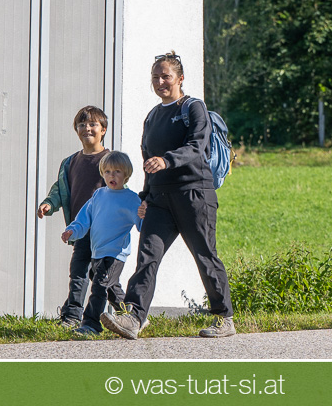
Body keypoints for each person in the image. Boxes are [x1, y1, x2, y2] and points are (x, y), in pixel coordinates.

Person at [101, 51, 236, 340]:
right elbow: (147, 159)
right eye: (155, 77)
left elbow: (196, 146)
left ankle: (224, 318)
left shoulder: (193, 108)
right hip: (160, 199)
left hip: (194, 194)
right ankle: (134, 318)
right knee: (147, 256)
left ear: (180, 78)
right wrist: (145, 197)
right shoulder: (152, 116)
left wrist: (167, 160)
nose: (160, 82)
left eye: (166, 77)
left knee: (204, 255)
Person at [36, 105, 110, 328]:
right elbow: (61, 189)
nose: (87, 128)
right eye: (82, 124)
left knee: (103, 277)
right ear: (76, 130)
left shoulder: (110, 160)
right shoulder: (70, 162)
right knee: (78, 273)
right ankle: (72, 316)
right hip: (80, 228)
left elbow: (120, 193)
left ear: (103, 129)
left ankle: (129, 313)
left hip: (104, 230)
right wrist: (49, 204)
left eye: (93, 124)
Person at [61, 151, 144, 335]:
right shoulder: (98, 195)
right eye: (107, 172)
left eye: (117, 172)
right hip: (97, 251)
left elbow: (142, 225)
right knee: (110, 286)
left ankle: (91, 324)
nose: (111, 176)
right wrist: (73, 231)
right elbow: (84, 218)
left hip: (115, 253)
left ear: (126, 174)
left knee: (99, 286)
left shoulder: (131, 199)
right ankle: (133, 316)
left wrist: (144, 215)